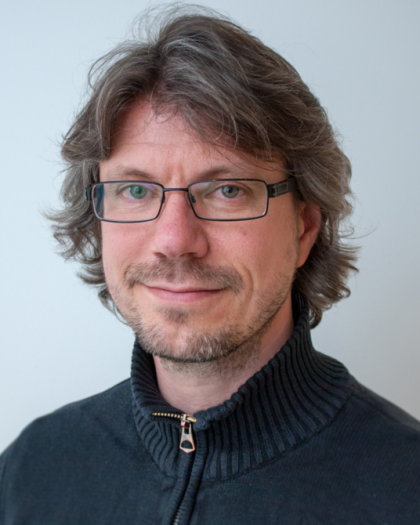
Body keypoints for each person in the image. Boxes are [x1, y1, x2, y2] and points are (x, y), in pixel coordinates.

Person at [1, 6, 419, 524]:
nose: (175, 241)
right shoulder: (30, 472)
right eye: (135, 190)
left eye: (227, 190)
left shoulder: (406, 489)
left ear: (304, 228)